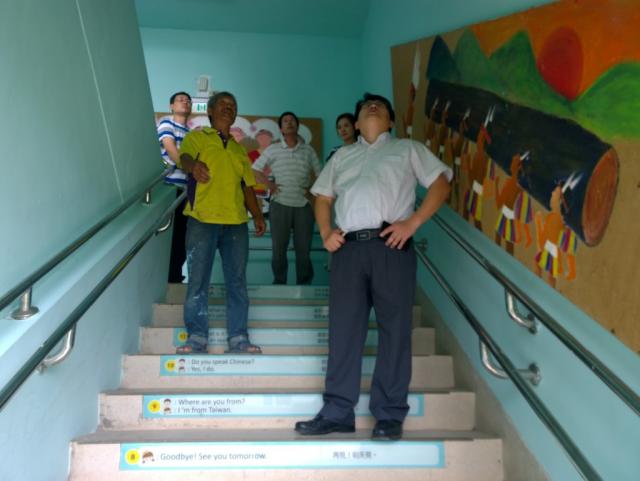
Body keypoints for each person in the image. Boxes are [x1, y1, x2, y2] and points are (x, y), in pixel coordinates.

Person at [295, 93, 451, 440]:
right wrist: (326, 232)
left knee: (395, 331)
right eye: (367, 106)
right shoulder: (342, 156)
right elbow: (323, 198)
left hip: (391, 247)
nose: (373, 106)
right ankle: (337, 411)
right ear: (356, 121)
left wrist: (413, 223)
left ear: (391, 121)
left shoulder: (407, 149)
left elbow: (441, 184)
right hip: (348, 250)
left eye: (380, 105)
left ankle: (389, 414)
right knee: (343, 331)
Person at [175, 91, 266, 354]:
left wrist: (257, 216)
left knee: (237, 282)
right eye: (223, 104)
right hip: (202, 219)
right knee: (197, 281)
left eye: (233, 105)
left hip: (236, 223)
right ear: (210, 111)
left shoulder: (239, 150)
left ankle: (239, 338)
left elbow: (247, 186)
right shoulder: (197, 137)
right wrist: (193, 166)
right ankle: (196, 338)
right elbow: (184, 158)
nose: (229, 108)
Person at [252, 111, 322, 285]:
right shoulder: (273, 149)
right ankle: (279, 282)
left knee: (304, 250)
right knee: (278, 250)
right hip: (280, 204)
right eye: (285, 121)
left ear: (297, 126)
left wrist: (312, 192)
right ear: (281, 129)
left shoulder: (308, 150)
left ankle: (304, 284)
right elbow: (254, 169)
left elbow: (321, 174)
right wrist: (269, 185)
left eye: (292, 121)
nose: (289, 123)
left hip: (303, 206)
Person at [157, 91, 192, 283]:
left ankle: (175, 276)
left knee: (182, 237)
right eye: (180, 100)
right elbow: (170, 148)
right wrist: (189, 167)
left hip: (186, 192)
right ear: (171, 106)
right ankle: (167, 277)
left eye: (188, 101)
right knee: (167, 237)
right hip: (168, 188)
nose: (185, 102)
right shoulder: (166, 123)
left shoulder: (191, 134)